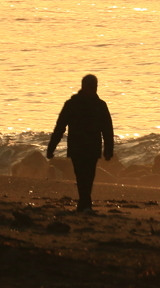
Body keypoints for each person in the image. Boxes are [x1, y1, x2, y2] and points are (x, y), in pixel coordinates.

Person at [46, 74, 114, 212]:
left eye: (95, 86)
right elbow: (60, 127)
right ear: (83, 87)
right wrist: (51, 147)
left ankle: (84, 204)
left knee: (88, 176)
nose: (93, 89)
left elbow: (107, 129)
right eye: (91, 86)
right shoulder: (72, 104)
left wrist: (108, 150)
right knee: (81, 175)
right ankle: (85, 204)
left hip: (92, 148)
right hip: (77, 147)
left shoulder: (100, 105)